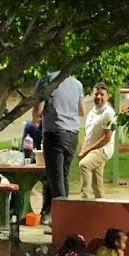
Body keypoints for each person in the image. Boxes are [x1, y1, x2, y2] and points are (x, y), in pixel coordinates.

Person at [35, 72, 84, 223]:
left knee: (55, 180)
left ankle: (61, 222)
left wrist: (37, 118)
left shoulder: (46, 80)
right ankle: (65, 217)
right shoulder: (77, 83)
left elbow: (38, 109)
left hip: (55, 133)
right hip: (73, 134)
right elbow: (82, 110)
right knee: (64, 176)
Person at [78, 82, 117, 200]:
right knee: (97, 184)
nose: (98, 97)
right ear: (92, 95)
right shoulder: (91, 113)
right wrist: (83, 150)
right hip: (92, 150)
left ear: (107, 96)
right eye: (96, 94)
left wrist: (86, 152)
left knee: (84, 165)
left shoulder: (108, 113)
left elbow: (106, 139)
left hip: (103, 150)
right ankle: (102, 207)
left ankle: (84, 198)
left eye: (102, 94)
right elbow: (87, 134)